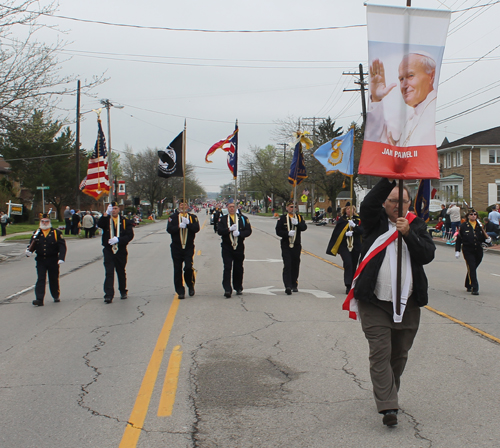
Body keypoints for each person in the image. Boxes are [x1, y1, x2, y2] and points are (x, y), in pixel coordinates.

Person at [343, 178, 435, 427]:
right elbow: (369, 204)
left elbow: (427, 255)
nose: (397, 205)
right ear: (385, 203)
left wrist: (407, 234)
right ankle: (387, 406)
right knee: (380, 352)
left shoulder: (416, 225)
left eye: (402, 201)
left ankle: (388, 390)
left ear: (409, 203)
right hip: (375, 301)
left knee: (399, 354)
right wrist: (390, 179)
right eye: (392, 200)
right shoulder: (375, 223)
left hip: (408, 303)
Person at [365, 53, 437, 147]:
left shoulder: (436, 109)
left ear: (431, 76)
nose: (404, 86)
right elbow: (376, 146)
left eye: (410, 75)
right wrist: (376, 99)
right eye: (401, 79)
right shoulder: (409, 118)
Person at [26, 213, 67, 306]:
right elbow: (32, 244)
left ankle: (55, 295)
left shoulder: (56, 233)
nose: (44, 223)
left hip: (53, 259)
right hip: (41, 260)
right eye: (43, 221)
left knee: (53, 278)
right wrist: (29, 251)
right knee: (41, 278)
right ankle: (39, 299)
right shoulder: (37, 233)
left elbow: (62, 246)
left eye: (46, 221)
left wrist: (61, 257)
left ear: (50, 222)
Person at [98, 202, 134, 304]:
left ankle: (123, 290)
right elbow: (99, 224)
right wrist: (105, 214)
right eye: (112, 208)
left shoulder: (124, 221)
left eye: (115, 208)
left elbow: (130, 235)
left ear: (119, 209)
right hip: (108, 250)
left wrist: (119, 240)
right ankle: (108, 295)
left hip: (120, 249)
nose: (113, 210)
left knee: (121, 271)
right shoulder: (106, 220)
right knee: (109, 272)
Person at [217, 199, 252, 298]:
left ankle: (238, 286)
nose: (232, 208)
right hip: (227, 246)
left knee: (238, 267)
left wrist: (240, 234)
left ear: (236, 208)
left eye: (233, 207)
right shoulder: (223, 219)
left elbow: (248, 231)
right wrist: (228, 229)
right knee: (227, 267)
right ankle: (227, 289)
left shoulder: (242, 219)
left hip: (239, 246)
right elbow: (219, 231)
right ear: (227, 208)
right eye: (230, 207)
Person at [166, 199, 200, 299]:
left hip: (188, 246)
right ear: (179, 206)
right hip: (176, 247)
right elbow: (169, 230)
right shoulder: (173, 217)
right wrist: (178, 226)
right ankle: (180, 290)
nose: (183, 206)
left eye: (185, 204)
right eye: (181, 205)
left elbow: (196, 229)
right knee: (177, 269)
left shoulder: (193, 217)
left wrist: (188, 224)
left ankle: (190, 285)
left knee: (188, 267)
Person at [326, 202, 363, 294]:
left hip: (355, 245)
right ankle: (348, 285)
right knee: (348, 263)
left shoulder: (358, 220)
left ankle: (353, 284)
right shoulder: (342, 220)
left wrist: (354, 227)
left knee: (354, 264)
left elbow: (362, 231)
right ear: (345, 210)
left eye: (351, 209)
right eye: (347, 209)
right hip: (344, 246)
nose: (349, 210)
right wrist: (345, 235)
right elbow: (337, 234)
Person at [275, 200, 307, 295]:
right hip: (286, 244)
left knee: (295, 264)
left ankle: (294, 283)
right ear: (287, 208)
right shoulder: (282, 218)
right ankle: (287, 285)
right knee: (287, 264)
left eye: (294, 207)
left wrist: (297, 224)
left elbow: (304, 227)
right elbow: (278, 231)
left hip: (296, 244)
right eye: (290, 207)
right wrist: (287, 233)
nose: (292, 208)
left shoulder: (299, 218)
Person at [455, 209, 489, 295]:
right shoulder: (463, 226)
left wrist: (487, 239)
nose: (473, 215)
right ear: (468, 216)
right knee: (472, 267)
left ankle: (468, 283)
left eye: (475, 214)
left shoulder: (480, 226)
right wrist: (457, 250)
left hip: (478, 250)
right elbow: (459, 239)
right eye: (471, 214)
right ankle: (475, 287)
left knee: (472, 268)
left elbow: (483, 237)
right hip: (468, 250)